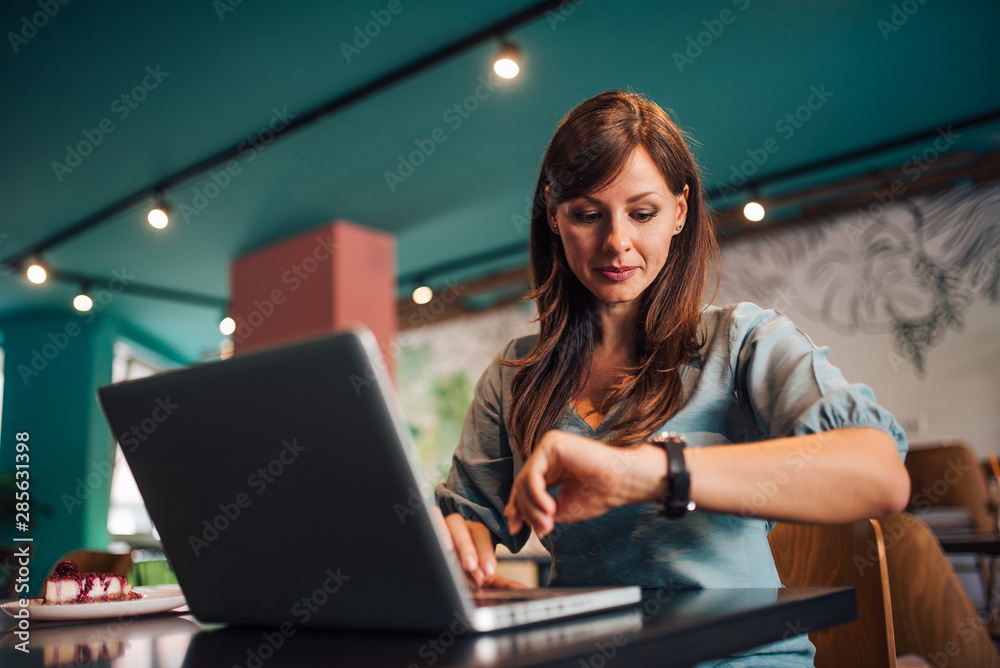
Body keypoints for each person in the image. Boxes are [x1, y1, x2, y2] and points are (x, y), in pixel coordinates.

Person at [435, 90, 911, 666]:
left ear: (680, 211)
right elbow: (467, 522)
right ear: (553, 216)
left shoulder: (742, 342)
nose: (617, 242)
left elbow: (880, 474)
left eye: (643, 213)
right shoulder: (516, 375)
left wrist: (653, 471)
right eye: (587, 214)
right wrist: (471, 563)